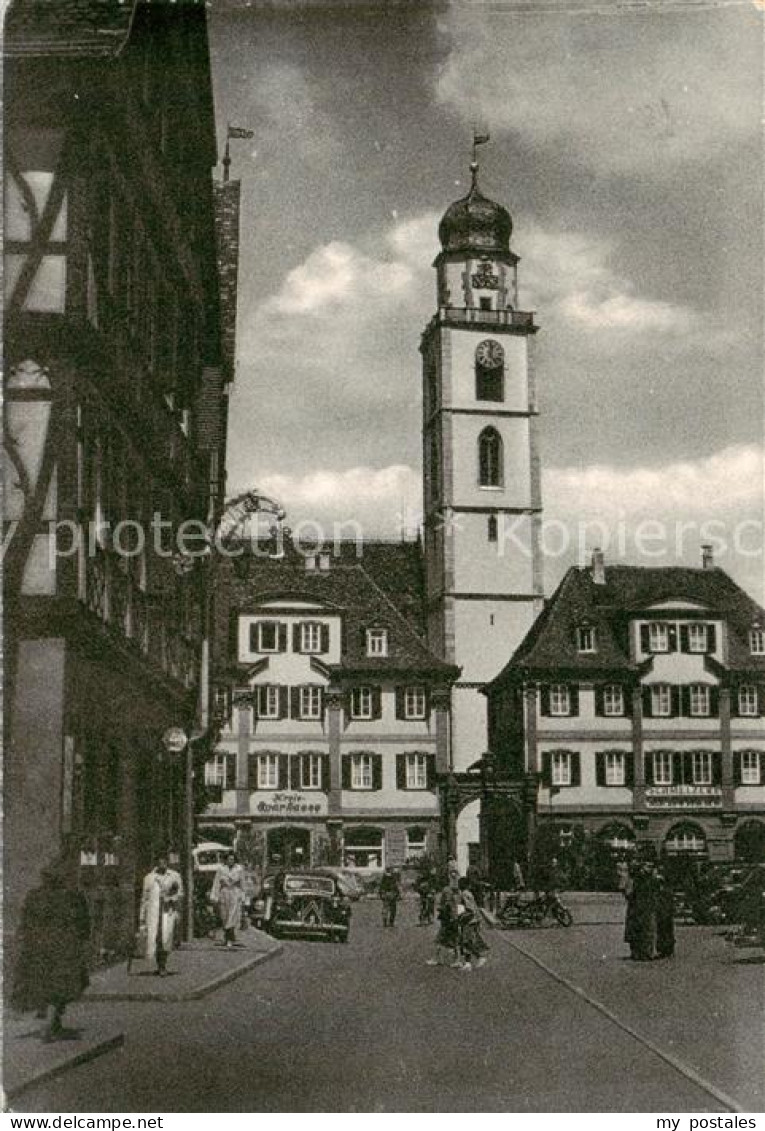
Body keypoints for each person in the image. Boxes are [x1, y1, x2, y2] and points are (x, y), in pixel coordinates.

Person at [12, 854, 91, 1041]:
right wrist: (81, 939)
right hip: (64, 948)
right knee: (61, 986)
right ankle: (49, 1026)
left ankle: (52, 1023)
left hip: (39, 948)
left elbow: (25, 923)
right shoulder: (73, 897)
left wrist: (27, 941)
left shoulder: (35, 896)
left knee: (45, 984)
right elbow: (83, 923)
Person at [140, 855, 183, 976]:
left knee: (166, 938)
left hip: (168, 911)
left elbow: (180, 894)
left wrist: (171, 899)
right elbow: (144, 898)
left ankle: (163, 964)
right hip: (153, 912)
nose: (162, 864)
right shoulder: (149, 878)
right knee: (156, 938)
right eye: (160, 861)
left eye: (164, 861)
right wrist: (142, 917)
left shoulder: (175, 876)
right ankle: (160, 966)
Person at [211, 851, 245, 948]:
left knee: (232, 916)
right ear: (226, 859)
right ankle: (227, 938)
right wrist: (214, 896)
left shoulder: (239, 869)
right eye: (229, 859)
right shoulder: (221, 869)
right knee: (224, 916)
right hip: (224, 893)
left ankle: (230, 939)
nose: (231, 861)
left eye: (233, 859)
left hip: (235, 893)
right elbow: (216, 882)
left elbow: (242, 883)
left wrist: (243, 896)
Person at [426, 876, 462, 967]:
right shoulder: (454, 891)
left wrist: (441, 909)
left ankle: (437, 959)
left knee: (440, 939)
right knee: (453, 939)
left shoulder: (446, 890)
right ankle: (456, 959)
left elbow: (446, 904)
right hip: (453, 918)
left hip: (447, 919)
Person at [457, 877, 489, 971]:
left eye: (460, 884)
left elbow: (468, 908)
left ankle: (479, 957)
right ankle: (467, 963)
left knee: (466, 941)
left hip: (468, 920)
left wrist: (461, 917)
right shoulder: (468, 894)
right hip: (472, 919)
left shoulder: (464, 894)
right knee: (466, 941)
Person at [654, 866, 676, 959]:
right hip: (665, 912)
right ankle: (667, 948)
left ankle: (665, 948)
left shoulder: (665, 891)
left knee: (664, 929)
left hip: (664, 912)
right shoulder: (667, 891)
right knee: (665, 929)